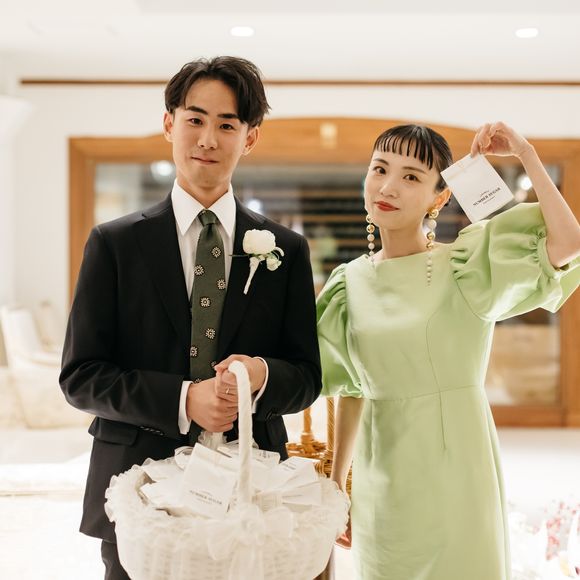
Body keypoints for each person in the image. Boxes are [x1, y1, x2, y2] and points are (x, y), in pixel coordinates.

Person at [60, 56, 321, 579]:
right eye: (195, 119)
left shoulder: (286, 249)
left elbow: (306, 378)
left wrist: (260, 376)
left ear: (250, 138)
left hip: (251, 496)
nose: (207, 139)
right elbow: (81, 376)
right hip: (137, 494)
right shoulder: (114, 244)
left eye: (227, 125)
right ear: (169, 124)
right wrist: (183, 399)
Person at [317, 122, 580, 580]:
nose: (388, 186)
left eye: (411, 176)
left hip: (457, 470)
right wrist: (339, 483)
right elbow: (352, 388)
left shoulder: (465, 264)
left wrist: (526, 153)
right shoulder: (348, 284)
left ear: (439, 198)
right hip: (382, 477)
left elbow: (568, 243)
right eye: (380, 169)